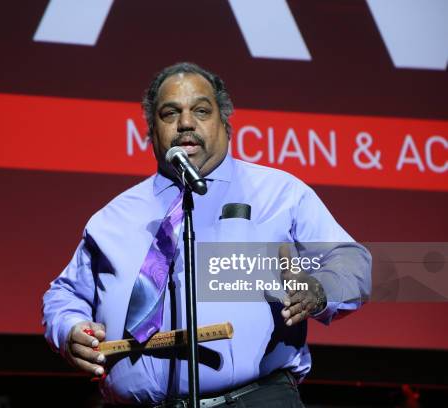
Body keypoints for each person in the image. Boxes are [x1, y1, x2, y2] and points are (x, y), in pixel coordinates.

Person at [43, 62, 371, 407]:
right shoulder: (112, 218)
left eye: (201, 110)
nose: (186, 123)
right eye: (170, 113)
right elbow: (64, 294)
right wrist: (70, 330)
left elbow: (353, 262)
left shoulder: (279, 193)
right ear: (151, 131)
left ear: (224, 123)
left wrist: (319, 289)